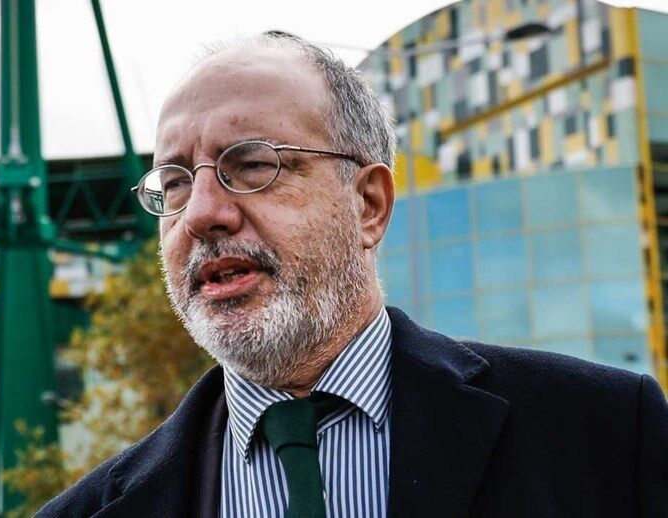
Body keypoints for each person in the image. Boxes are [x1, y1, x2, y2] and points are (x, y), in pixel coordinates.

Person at [38, 32, 668, 517]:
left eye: (252, 165)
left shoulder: (607, 433)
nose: (202, 213)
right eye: (175, 183)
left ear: (368, 204)